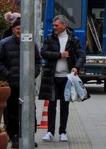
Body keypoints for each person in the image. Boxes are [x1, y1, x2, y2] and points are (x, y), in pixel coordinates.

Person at [0, 18, 41, 149]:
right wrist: (7, 74)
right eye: (17, 28)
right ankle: (14, 137)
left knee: (30, 111)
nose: (20, 30)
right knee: (11, 112)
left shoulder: (32, 43)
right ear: (13, 29)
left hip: (27, 86)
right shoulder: (4, 43)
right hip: (11, 84)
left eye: (22, 28)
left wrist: (32, 76)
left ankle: (28, 136)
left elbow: (38, 61)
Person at [39, 15, 85, 143]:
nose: (54, 28)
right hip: (52, 77)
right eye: (54, 25)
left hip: (66, 78)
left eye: (56, 25)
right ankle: (49, 131)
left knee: (65, 105)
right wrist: (59, 55)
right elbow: (43, 53)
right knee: (51, 104)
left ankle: (63, 132)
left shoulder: (73, 40)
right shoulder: (49, 38)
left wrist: (76, 67)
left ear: (64, 25)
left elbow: (81, 55)